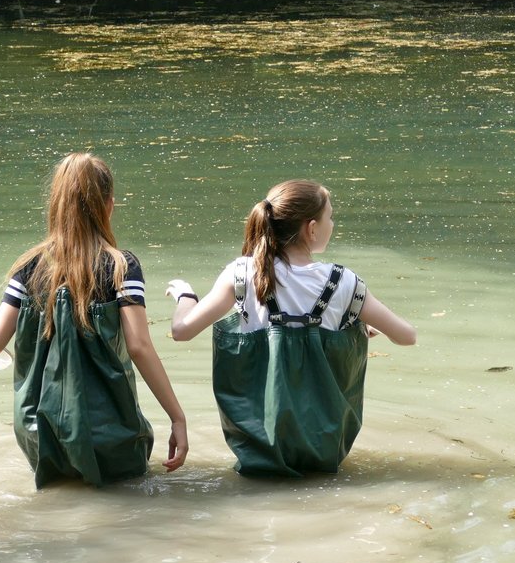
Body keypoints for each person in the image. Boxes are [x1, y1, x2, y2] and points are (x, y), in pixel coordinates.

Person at [164, 179, 415, 477]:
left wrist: (186, 296)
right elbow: (406, 336)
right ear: (311, 228)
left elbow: (182, 331)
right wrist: (357, 327)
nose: (332, 224)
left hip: (257, 447)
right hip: (324, 448)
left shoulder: (241, 273)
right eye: (330, 217)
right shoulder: (345, 283)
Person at [0, 153, 190, 488]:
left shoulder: (28, 267)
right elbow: (138, 345)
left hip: (40, 432)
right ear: (108, 205)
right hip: (109, 431)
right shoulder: (122, 267)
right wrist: (177, 417)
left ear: (56, 205)